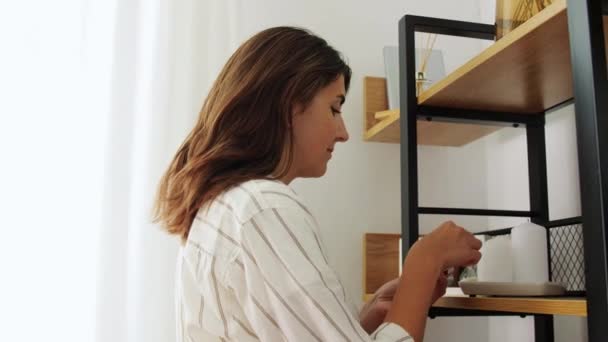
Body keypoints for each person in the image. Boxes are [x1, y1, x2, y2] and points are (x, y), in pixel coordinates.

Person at [154, 26, 482, 342]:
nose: (343, 132)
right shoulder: (263, 207)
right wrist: (424, 261)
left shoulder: (222, 204)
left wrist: (360, 320)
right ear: (289, 106)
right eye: (334, 108)